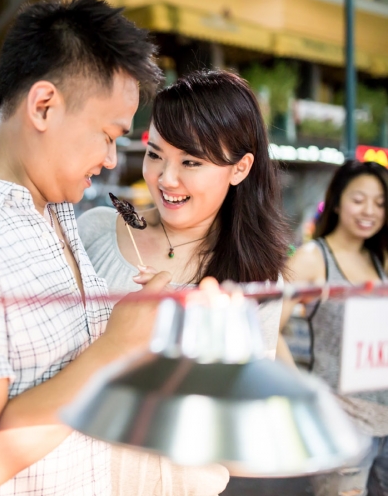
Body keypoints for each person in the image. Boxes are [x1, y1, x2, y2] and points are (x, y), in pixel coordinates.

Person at [0, 0, 172, 495]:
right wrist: (117, 346)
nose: (111, 160)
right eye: (108, 135)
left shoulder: (58, 212)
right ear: (44, 106)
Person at [78, 70, 289, 494]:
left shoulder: (257, 279)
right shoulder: (95, 231)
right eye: (155, 154)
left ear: (240, 168)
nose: (165, 178)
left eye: (191, 162)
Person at [278, 160, 388, 496]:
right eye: (359, 199)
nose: (369, 210)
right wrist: (305, 392)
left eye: (381, 202)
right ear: (338, 201)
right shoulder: (313, 257)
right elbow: (266, 326)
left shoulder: (379, 259)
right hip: (344, 426)